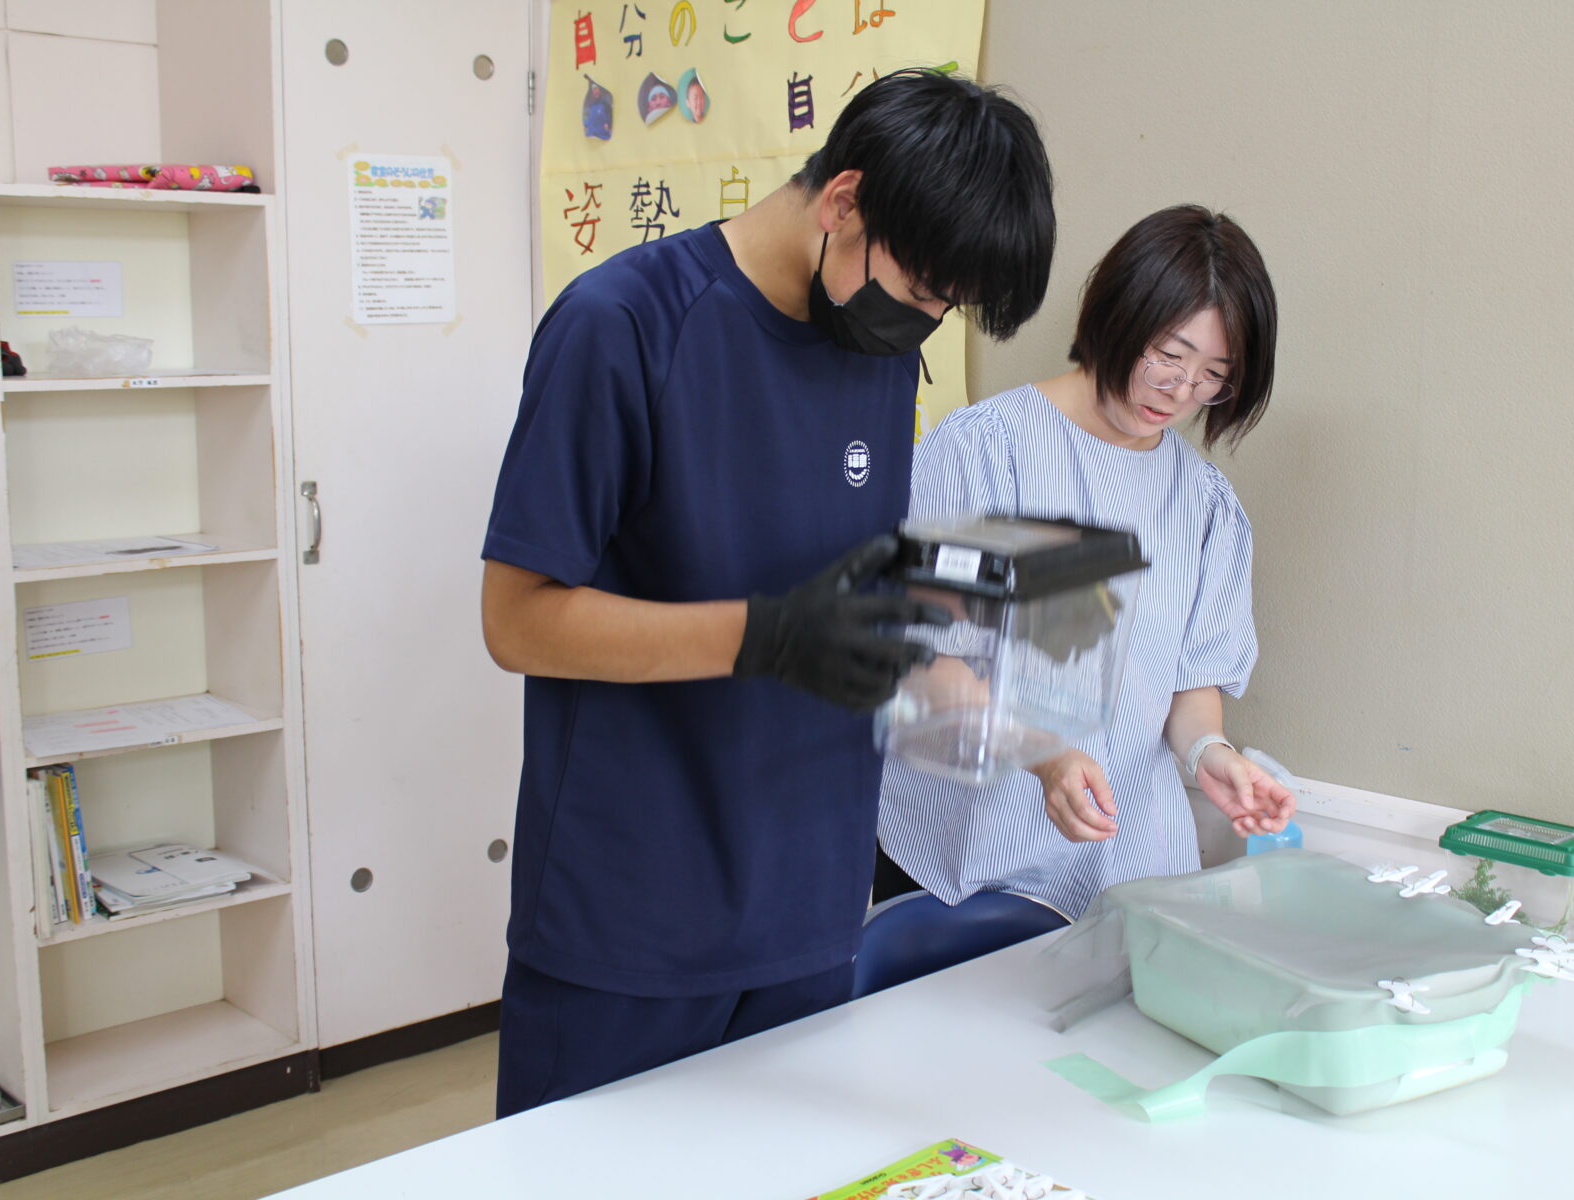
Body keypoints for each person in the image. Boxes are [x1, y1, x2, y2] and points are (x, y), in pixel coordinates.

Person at [480, 68, 1055, 1118]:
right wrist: (767, 638)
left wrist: (1017, 724)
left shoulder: (871, 347)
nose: (925, 322)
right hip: (632, 919)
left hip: (809, 906)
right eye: (927, 292)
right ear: (843, 202)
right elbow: (515, 621)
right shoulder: (623, 324)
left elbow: (849, 593)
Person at [876, 204, 1295, 921]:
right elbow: (927, 662)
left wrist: (1213, 759)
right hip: (966, 871)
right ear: (1118, 311)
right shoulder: (986, 453)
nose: (1182, 390)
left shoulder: (1206, 507)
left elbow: (1190, 693)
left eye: (1213, 376)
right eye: (1168, 354)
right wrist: (1047, 757)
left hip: (1126, 873)